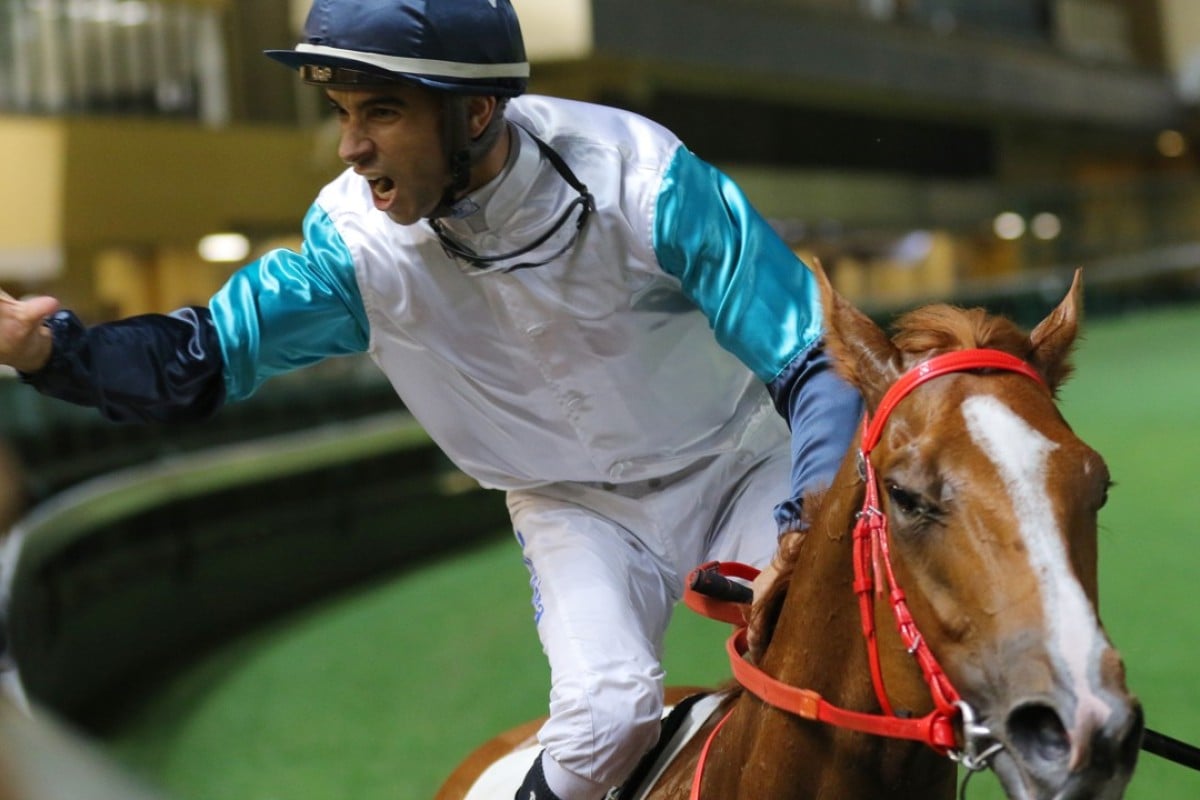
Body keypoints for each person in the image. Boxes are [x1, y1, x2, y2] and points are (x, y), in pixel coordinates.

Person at [0, 1, 863, 798]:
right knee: (605, 726)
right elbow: (200, 357)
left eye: (380, 112)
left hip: (739, 461)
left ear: (476, 111)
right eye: (342, 112)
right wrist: (51, 350)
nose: (351, 147)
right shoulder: (350, 247)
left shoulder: (645, 176)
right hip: (573, 506)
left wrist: (807, 520)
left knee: (858, 649)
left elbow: (814, 357)